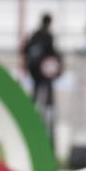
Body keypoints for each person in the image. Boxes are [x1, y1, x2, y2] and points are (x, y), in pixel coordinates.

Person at [21, 12, 62, 140]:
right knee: (47, 92)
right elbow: (51, 52)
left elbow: (25, 49)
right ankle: (46, 115)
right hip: (43, 68)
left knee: (36, 90)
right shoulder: (48, 35)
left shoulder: (34, 33)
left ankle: (31, 112)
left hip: (33, 67)